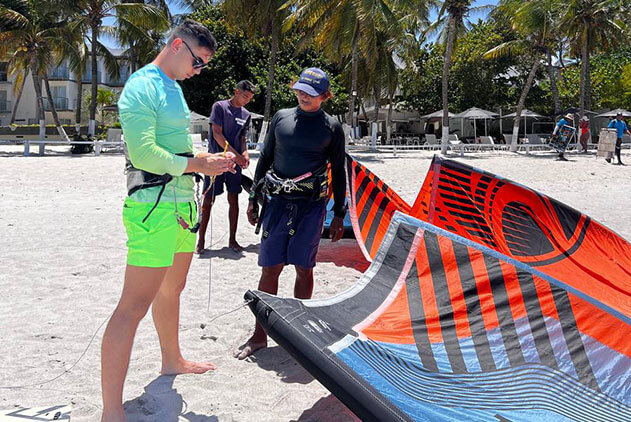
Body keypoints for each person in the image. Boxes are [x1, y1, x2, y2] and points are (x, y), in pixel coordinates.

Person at [101, 20, 236, 422]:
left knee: (172, 290)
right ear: (177, 46)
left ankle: (171, 359)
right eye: (198, 61)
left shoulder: (174, 88)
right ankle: (111, 411)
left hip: (181, 204)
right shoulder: (142, 86)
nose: (198, 70)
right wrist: (198, 163)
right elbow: (142, 154)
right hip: (152, 205)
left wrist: (206, 163)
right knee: (132, 306)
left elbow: (174, 147)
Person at [235, 68, 346, 360]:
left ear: (325, 96)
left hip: (311, 206)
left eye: (310, 93)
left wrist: (338, 214)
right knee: (270, 267)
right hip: (276, 202)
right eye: (299, 90)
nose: (303, 96)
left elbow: (339, 172)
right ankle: (260, 336)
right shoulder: (281, 118)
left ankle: (298, 335)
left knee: (303, 268)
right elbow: (266, 157)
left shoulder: (332, 127)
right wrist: (254, 198)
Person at [195, 80, 256, 254]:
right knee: (209, 200)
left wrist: (244, 154)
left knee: (234, 199)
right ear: (236, 91)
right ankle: (201, 241)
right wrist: (237, 156)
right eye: (245, 96)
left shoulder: (246, 114)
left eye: (249, 98)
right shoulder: (220, 107)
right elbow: (217, 134)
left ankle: (232, 240)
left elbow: (243, 138)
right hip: (216, 160)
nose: (246, 100)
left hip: (235, 164)